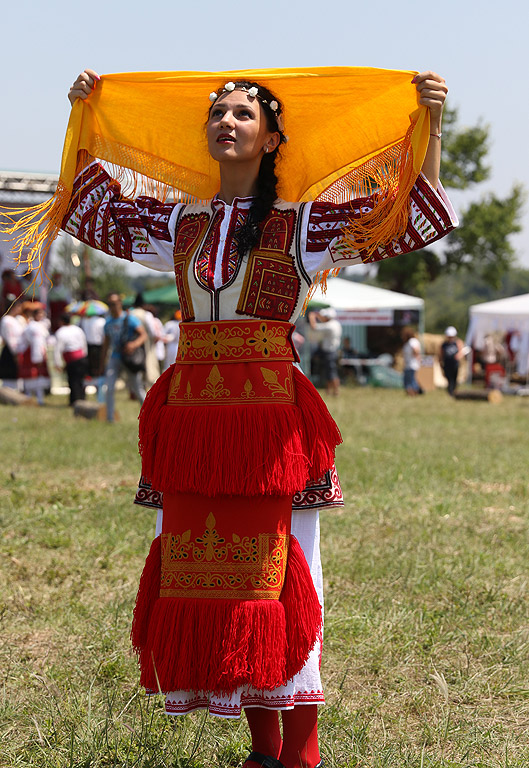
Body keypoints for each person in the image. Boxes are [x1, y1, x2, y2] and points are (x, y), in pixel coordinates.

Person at [59, 67, 455, 768]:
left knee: (283, 574)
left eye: (244, 114)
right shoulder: (180, 223)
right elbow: (89, 212)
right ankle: (261, 750)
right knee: (212, 577)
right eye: (218, 113)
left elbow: (411, 219)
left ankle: (300, 753)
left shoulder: (302, 225)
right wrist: (85, 116)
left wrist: (432, 128)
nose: (226, 122)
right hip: (192, 422)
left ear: (273, 138)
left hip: (270, 423)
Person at [99, 292, 148, 422]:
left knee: (137, 388)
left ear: (120, 303)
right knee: (108, 388)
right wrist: (102, 362)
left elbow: (143, 335)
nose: (112, 307)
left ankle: (149, 415)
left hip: (129, 357)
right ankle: (110, 418)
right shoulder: (107, 322)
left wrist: (134, 344)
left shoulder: (129, 319)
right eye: (110, 304)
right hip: (115, 357)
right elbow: (106, 344)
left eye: (114, 304)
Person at [54, 312, 89, 405]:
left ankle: (75, 401)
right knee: (80, 380)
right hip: (81, 357)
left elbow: (58, 349)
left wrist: (57, 363)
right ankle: (82, 398)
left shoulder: (61, 332)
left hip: (72, 359)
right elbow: (84, 344)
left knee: (73, 381)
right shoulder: (78, 330)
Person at [308, 308, 342, 396]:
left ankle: (336, 392)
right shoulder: (336, 324)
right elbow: (324, 321)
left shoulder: (329, 326)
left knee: (331, 373)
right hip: (333, 351)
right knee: (330, 372)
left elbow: (314, 327)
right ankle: (330, 392)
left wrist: (312, 316)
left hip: (329, 352)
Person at [0, 298, 24, 389]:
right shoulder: (7, 320)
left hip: (17, 350)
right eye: (18, 307)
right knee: (10, 375)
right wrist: (15, 353)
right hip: (11, 351)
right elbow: (10, 338)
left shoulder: (16, 320)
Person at [439, 326, 463, 396]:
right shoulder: (444, 344)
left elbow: (461, 351)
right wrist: (440, 362)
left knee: (454, 378)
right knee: (449, 378)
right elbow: (441, 354)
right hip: (447, 363)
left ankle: (453, 391)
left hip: (454, 364)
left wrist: (458, 356)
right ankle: (450, 391)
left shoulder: (457, 342)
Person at [401, 327, 422, 396]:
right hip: (408, 364)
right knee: (407, 380)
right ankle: (411, 393)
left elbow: (416, 350)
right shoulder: (407, 342)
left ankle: (417, 392)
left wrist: (416, 356)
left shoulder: (412, 341)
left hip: (412, 364)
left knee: (411, 380)